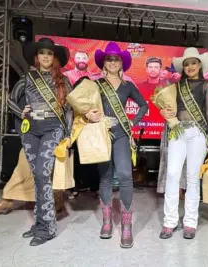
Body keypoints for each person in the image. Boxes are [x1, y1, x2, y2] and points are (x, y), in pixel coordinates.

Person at [7, 37, 73, 246]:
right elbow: (10, 99)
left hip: (53, 128)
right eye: (42, 53)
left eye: (49, 53)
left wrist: (69, 133)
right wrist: (21, 111)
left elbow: (70, 109)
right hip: (31, 130)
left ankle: (48, 228)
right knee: (37, 177)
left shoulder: (63, 80)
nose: (45, 56)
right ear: (37, 57)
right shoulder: (28, 77)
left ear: (54, 58)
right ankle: (41, 222)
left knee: (43, 174)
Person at [85, 42, 148, 248]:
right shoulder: (95, 83)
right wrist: (89, 114)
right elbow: (85, 104)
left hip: (121, 133)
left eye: (116, 59)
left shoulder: (128, 86)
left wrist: (133, 121)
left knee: (124, 175)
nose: (112, 62)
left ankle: (126, 226)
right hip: (101, 133)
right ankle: (106, 222)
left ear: (122, 63)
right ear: (104, 62)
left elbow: (144, 105)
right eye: (109, 59)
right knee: (105, 177)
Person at [158, 47, 208, 240]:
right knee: (173, 174)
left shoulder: (207, 85)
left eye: (193, 62)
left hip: (198, 133)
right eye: (186, 64)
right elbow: (169, 109)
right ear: (183, 67)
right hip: (178, 130)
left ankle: (190, 222)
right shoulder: (176, 86)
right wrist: (164, 113)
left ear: (199, 64)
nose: (190, 66)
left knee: (193, 177)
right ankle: (169, 221)